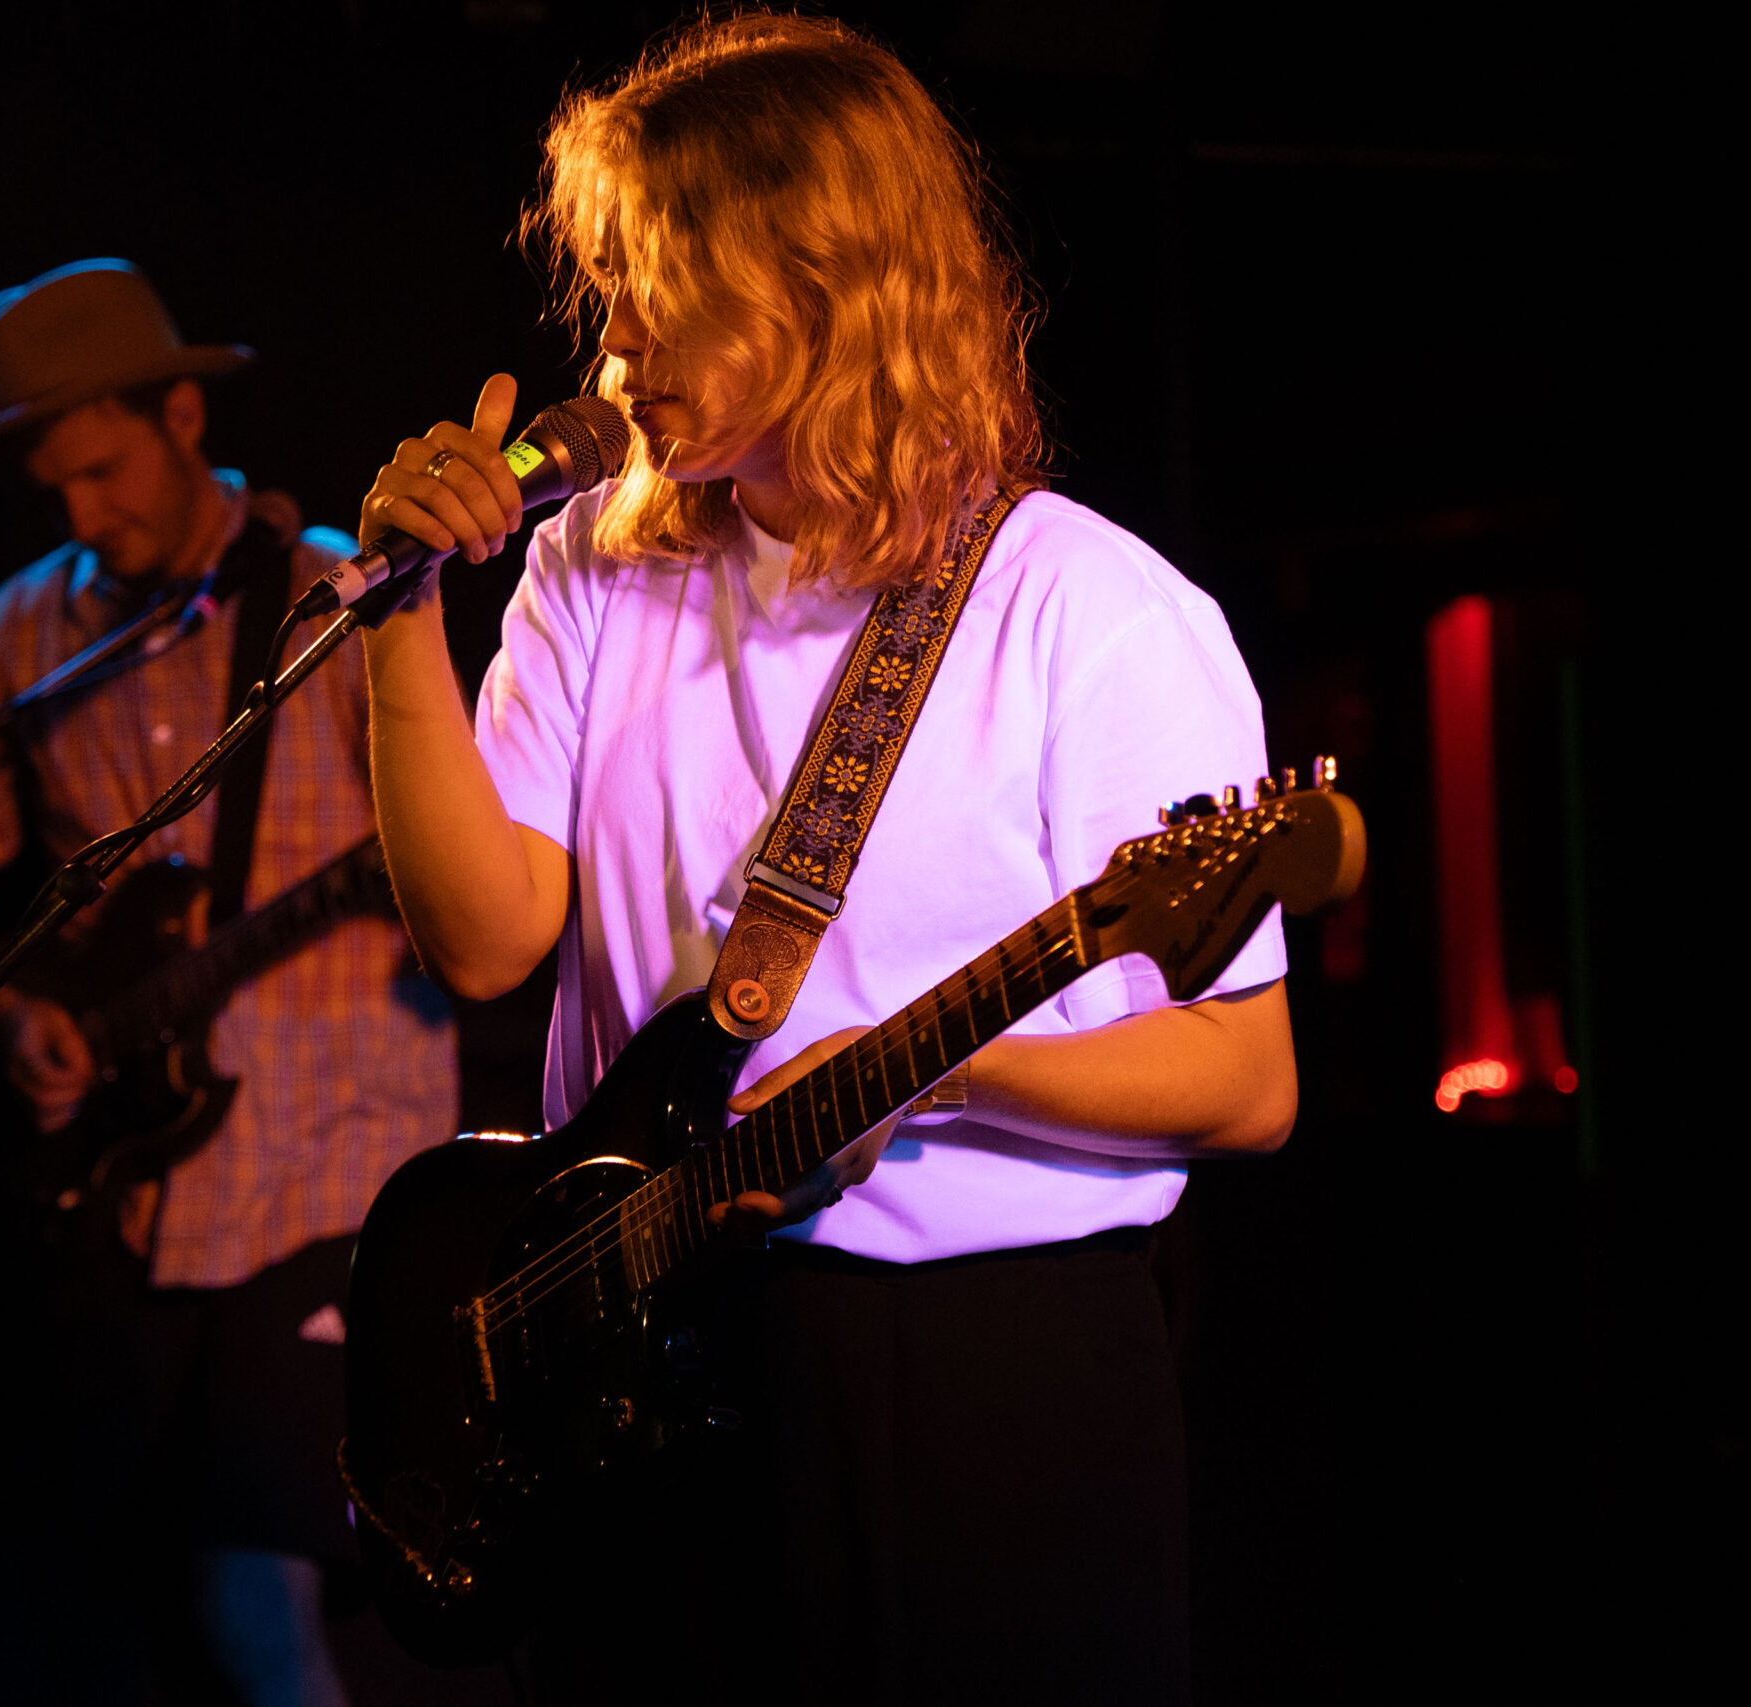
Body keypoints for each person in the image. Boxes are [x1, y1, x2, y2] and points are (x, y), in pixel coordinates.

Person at [353, 15, 1296, 1704]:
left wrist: (940, 1077)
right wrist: (397, 620)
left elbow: (1243, 1077)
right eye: (609, 281)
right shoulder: (592, 569)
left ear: (826, 282)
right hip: (640, 1348)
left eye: (663, 283)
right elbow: (485, 942)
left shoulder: (1091, 612)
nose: (616, 338)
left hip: (977, 1371)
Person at [0, 258, 457, 1705]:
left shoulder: (343, 598)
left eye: (107, 471)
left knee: (247, 1595)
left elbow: (473, 859)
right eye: (53, 487)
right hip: (123, 1203)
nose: (85, 515)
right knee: (57, 1613)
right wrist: (12, 1016)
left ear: (186, 414)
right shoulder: (22, 633)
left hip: (336, 1181)